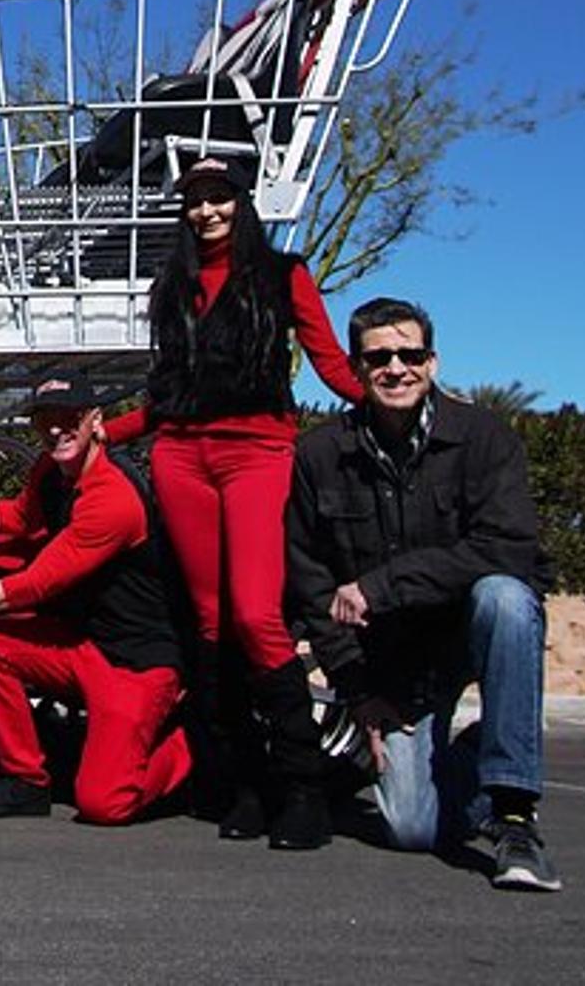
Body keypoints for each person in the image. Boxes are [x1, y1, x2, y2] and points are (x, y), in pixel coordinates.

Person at [102, 155, 364, 849]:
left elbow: (331, 362)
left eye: (219, 197)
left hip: (257, 452)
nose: (207, 211)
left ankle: (302, 787)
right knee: (211, 624)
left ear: (242, 203)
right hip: (182, 456)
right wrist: (103, 432)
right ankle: (246, 784)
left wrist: (392, 398)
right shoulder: (173, 286)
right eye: (195, 200)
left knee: (255, 614)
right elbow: (166, 396)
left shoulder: (284, 274)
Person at [285, 297, 561, 891]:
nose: (396, 368)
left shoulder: (485, 439)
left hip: (468, 632)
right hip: (395, 659)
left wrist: (383, 585)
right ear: (355, 369)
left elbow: (509, 549)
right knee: (412, 827)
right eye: (378, 357)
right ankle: (477, 752)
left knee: (508, 599)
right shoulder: (320, 454)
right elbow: (311, 581)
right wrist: (358, 693)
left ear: (432, 363)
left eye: (410, 355)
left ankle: (514, 815)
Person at [0, 377, 192, 825]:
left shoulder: (113, 498)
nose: (57, 431)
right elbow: (18, 517)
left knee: (104, 803)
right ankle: (25, 779)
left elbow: (36, 584)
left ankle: (195, 743)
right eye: (45, 421)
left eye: (69, 419)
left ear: (94, 421)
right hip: (81, 645)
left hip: (134, 662)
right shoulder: (50, 471)